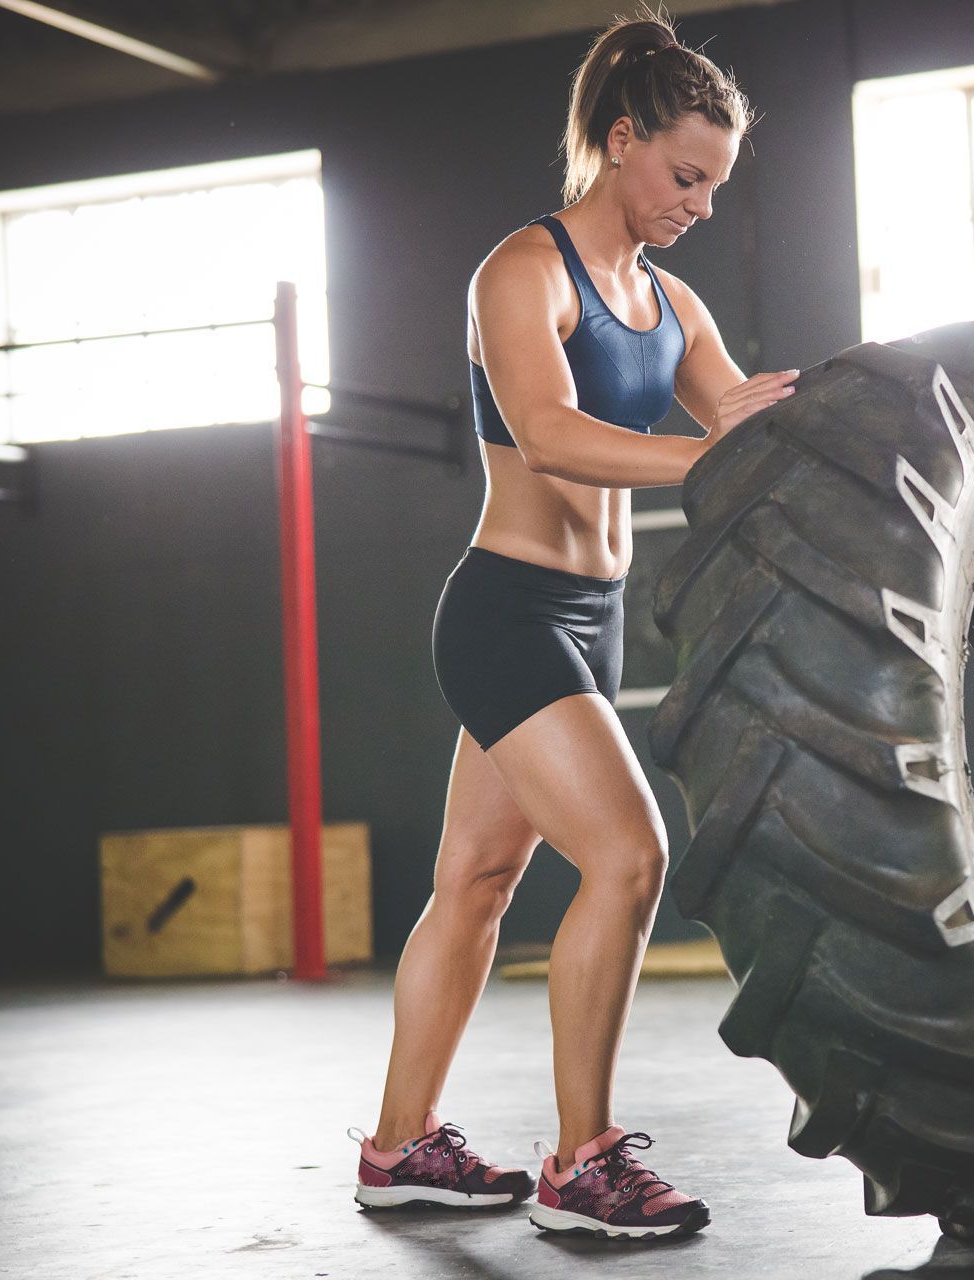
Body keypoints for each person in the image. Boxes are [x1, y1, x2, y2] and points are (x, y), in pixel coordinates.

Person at [344, 5, 797, 1242]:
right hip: (505, 610)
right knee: (631, 855)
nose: (699, 202)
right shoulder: (522, 272)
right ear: (620, 139)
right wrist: (713, 450)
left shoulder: (673, 306)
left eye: (716, 185)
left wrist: (814, 424)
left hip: (590, 619)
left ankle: (398, 1148)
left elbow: (738, 443)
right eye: (685, 175)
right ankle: (583, 1160)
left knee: (477, 881)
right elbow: (548, 433)